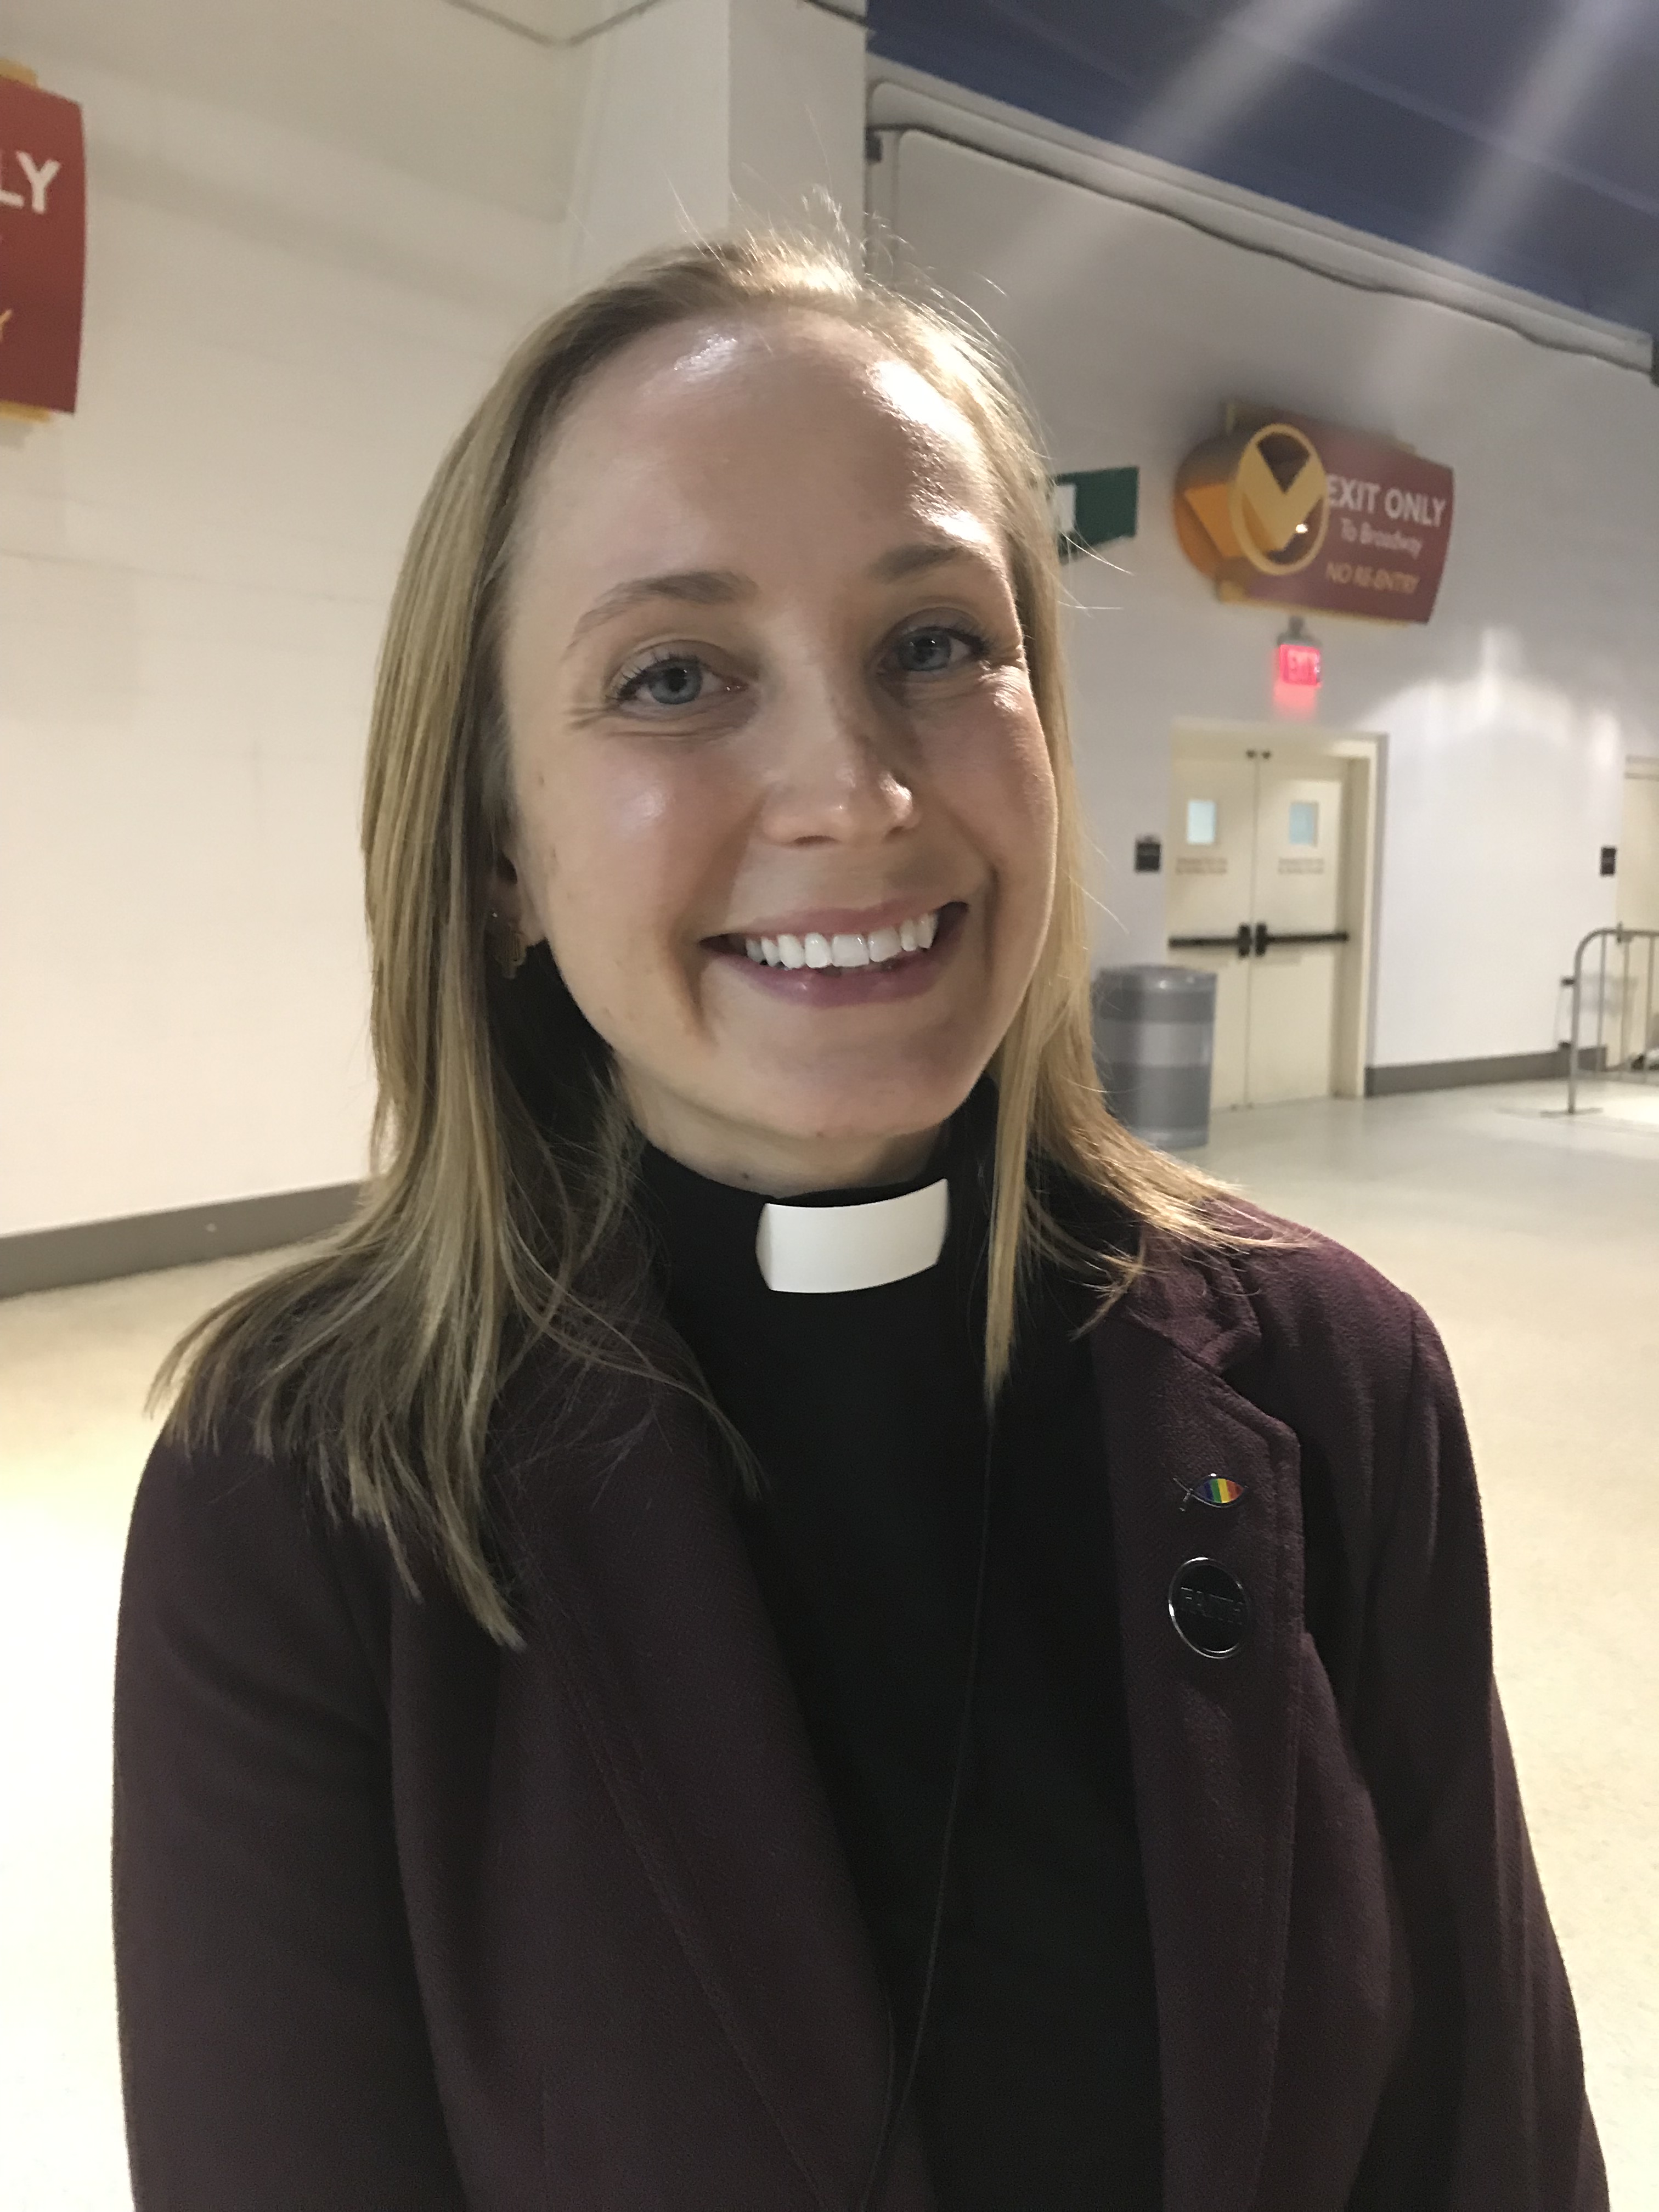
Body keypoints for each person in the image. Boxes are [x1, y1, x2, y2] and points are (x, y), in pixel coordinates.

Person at [112, 234, 1605, 2212]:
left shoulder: (1337, 1381)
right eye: (673, 677)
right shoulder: (307, 1501)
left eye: (934, 644)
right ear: (495, 854)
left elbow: (1488, 2140)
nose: (855, 793)